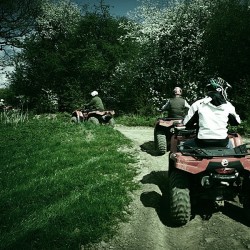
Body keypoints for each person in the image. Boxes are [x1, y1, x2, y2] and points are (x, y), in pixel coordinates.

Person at [183, 77, 241, 148]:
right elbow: (236, 122)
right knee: (231, 147)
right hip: (222, 142)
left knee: (184, 145)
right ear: (221, 90)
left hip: (202, 142)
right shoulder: (228, 105)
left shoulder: (198, 104)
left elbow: (186, 123)